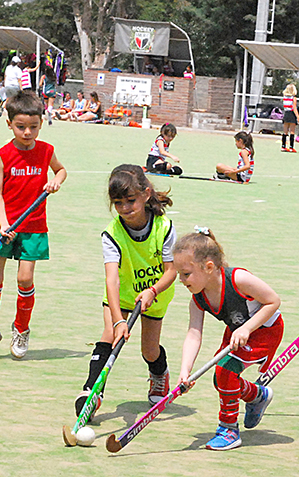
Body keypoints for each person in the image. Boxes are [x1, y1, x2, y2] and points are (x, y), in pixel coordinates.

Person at [0, 91, 67, 359]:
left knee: (25, 278)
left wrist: (56, 181)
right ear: (10, 124)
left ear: (41, 124)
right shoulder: (3, 155)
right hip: (4, 225)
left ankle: (21, 330)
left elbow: (61, 170)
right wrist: (4, 224)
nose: (27, 132)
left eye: (33, 127)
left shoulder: (46, 151)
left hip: (34, 226)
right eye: (21, 127)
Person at [75, 164, 178, 419]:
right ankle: (91, 393)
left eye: (130, 201)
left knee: (149, 350)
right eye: (118, 203)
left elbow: (172, 271)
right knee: (110, 334)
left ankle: (159, 374)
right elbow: (111, 279)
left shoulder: (164, 227)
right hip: (122, 293)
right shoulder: (112, 234)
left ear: (145, 194)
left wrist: (153, 291)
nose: (125, 208)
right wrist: (119, 319)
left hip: (157, 291)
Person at [173, 227, 283, 450]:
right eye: (179, 275)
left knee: (224, 372)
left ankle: (229, 430)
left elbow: (273, 301)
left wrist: (247, 329)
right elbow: (194, 334)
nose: (181, 280)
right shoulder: (197, 299)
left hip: (264, 331)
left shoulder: (239, 279)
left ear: (209, 267)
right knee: (221, 379)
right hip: (237, 331)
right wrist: (185, 370)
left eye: (186, 274)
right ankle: (257, 396)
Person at [281, 84, 299, 153]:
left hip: (286, 114)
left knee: (285, 131)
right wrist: (298, 117)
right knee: (292, 131)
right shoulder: (293, 98)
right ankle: (291, 147)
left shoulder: (284, 97)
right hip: (291, 114)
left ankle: (283, 146)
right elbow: (294, 108)